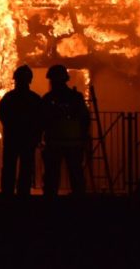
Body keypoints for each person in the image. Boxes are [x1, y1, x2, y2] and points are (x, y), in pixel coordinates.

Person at [41, 64, 90, 197]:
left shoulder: (48, 99)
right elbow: (85, 118)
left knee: (52, 177)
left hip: (54, 144)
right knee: (76, 175)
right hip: (73, 143)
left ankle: (50, 205)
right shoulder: (76, 97)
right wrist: (84, 137)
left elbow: (41, 120)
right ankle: (78, 205)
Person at [0, 64, 43, 196]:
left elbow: (2, 114)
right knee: (26, 168)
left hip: (12, 138)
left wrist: (11, 127)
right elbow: (40, 119)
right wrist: (36, 135)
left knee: (9, 167)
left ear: (15, 79)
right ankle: (23, 193)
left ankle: (7, 193)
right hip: (27, 139)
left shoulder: (9, 98)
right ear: (30, 80)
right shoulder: (35, 99)